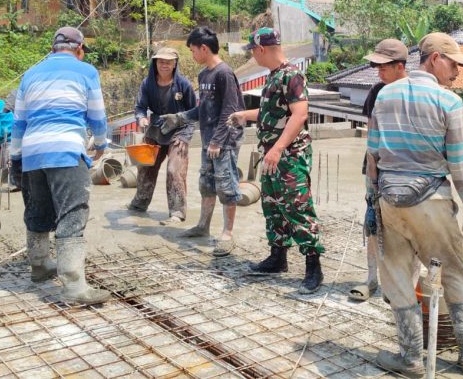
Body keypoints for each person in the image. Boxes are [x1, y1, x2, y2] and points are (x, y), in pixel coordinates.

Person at [367, 32, 463, 376]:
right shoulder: (449, 102)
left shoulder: (384, 96)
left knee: (396, 276)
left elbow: (374, 155)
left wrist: (372, 200)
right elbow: (461, 169)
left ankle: (410, 358)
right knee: (454, 273)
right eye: (454, 64)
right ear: (435, 58)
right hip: (432, 201)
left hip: (390, 201)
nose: (457, 72)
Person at [10, 26, 110, 304]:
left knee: (38, 209)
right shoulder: (86, 71)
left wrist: (16, 157)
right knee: (72, 213)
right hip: (65, 149)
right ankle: (75, 285)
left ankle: (40, 265)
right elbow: (97, 116)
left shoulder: (30, 75)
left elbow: (19, 123)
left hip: (32, 151)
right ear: (79, 49)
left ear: (53, 48)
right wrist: (101, 143)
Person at [227, 27, 324, 294]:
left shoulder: (292, 75)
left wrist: (279, 148)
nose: (254, 57)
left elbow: (299, 114)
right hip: (272, 154)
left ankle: (313, 266)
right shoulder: (274, 77)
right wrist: (243, 115)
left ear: (261, 49)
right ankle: (278, 256)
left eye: (253, 52)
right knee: (273, 205)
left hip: (289, 155)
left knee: (297, 206)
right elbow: (271, 112)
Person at [159, 28, 245, 256]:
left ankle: (227, 234)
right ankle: (203, 226)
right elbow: (203, 109)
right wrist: (180, 117)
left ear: (204, 48)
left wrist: (218, 141)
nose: (192, 55)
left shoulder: (224, 73)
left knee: (226, 186)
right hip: (209, 140)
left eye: (193, 50)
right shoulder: (204, 75)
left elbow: (231, 109)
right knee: (206, 184)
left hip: (224, 141)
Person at [348, 39, 410, 302]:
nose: (378, 71)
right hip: (375, 167)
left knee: (407, 226)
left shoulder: (413, 92)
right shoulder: (375, 91)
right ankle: (372, 279)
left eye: (383, 66)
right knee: (373, 221)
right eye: (377, 66)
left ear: (399, 66)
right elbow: (372, 131)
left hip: (405, 171)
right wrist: (372, 171)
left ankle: (402, 282)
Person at [127, 47, 197, 225]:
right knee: (145, 168)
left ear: (175, 64)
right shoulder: (148, 84)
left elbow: (193, 113)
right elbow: (140, 107)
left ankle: (177, 211)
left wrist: (186, 136)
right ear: (155, 63)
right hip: (155, 130)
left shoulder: (184, 85)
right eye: (161, 61)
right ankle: (139, 203)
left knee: (175, 170)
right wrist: (141, 118)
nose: (164, 65)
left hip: (179, 132)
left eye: (168, 62)